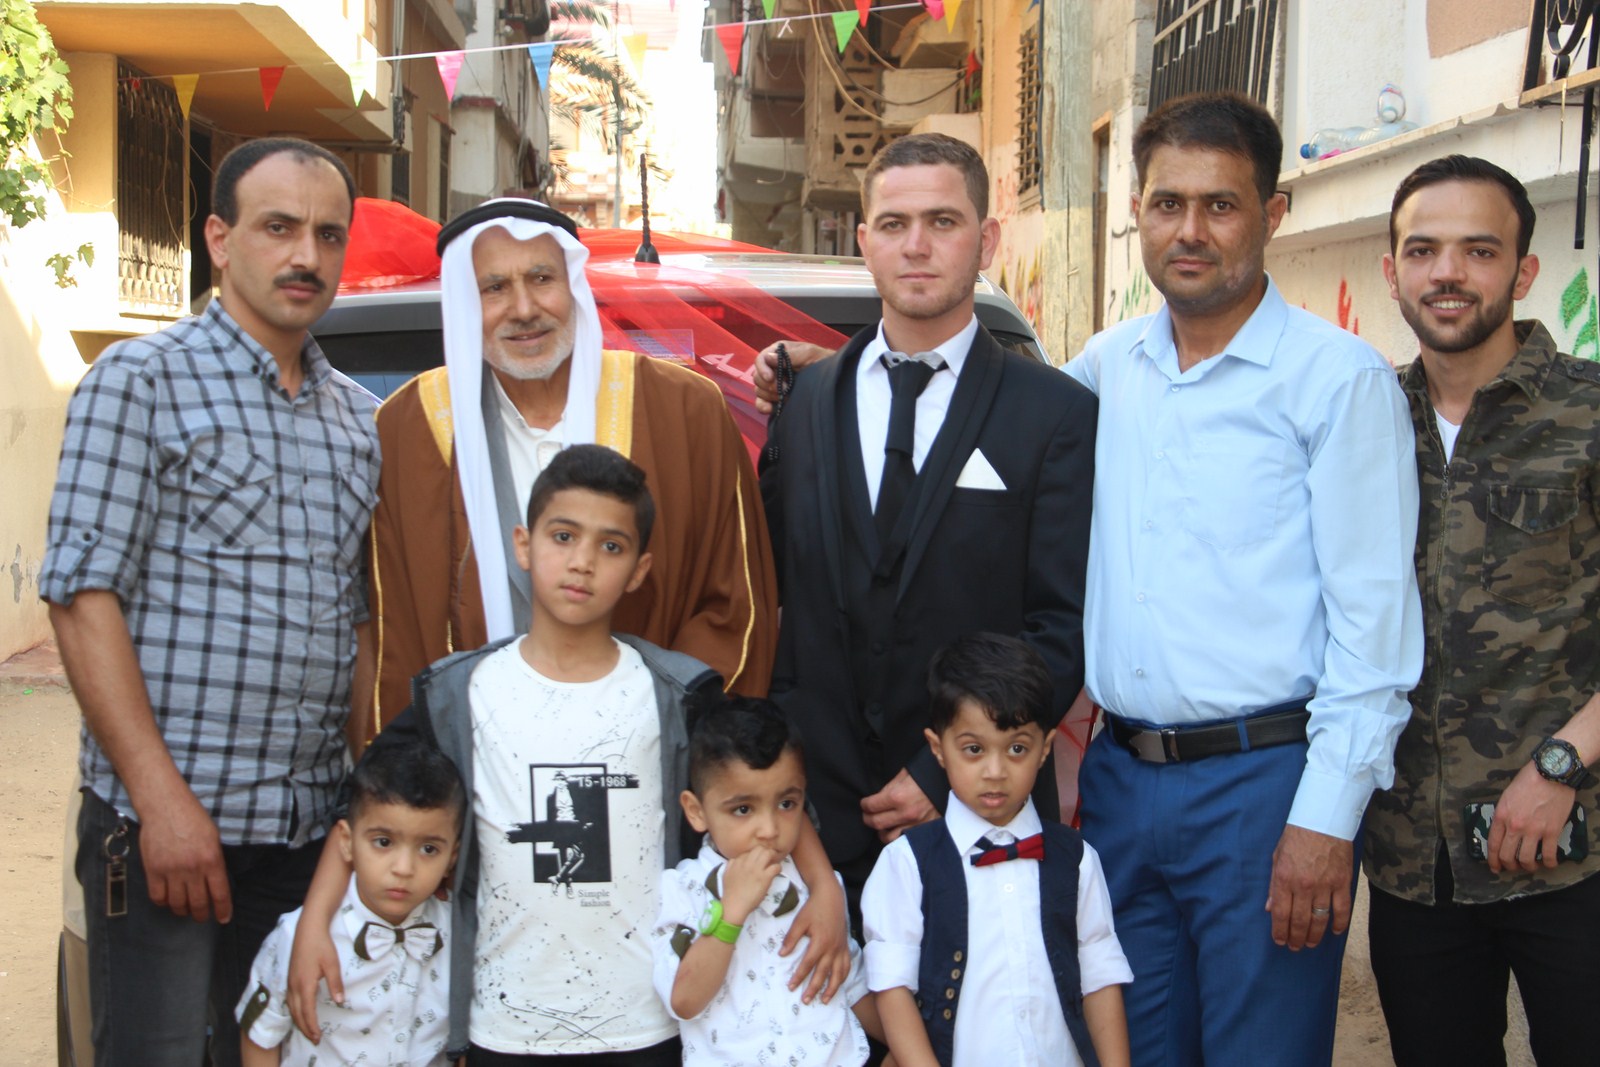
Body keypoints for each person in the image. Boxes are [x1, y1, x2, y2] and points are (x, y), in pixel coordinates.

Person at [1063, 92, 1422, 1065]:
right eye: (1167, 203)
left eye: (1219, 205)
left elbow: (1375, 628)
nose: (1189, 230)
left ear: (1273, 213)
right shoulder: (1107, 368)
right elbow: (994, 417)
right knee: (1126, 1050)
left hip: (1264, 791)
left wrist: (1324, 819)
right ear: (1136, 211)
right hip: (1120, 784)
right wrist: (831, 364)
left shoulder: (1336, 380)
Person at [288, 445, 849, 1063]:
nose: (582, 562)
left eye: (611, 545)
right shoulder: (460, 694)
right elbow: (364, 802)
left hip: (648, 1023)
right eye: (563, 536)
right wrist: (314, 923)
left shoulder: (673, 693)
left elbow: (767, 785)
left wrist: (825, 889)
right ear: (523, 545)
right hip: (504, 1023)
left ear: (638, 570)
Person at [40, 137, 375, 1067]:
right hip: (167, 835)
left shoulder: (358, 420)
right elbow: (81, 596)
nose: (306, 254)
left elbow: (360, 626)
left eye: (328, 234)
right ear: (219, 239)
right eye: (279, 227)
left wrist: (361, 812)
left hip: (303, 840)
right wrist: (161, 803)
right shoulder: (139, 382)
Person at [760, 133, 1097, 915]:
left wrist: (948, 767)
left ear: (987, 240)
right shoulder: (804, 405)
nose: (916, 245)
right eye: (893, 223)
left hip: (982, 820)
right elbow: (783, 607)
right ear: (864, 242)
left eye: (943, 221)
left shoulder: (1057, 413)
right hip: (816, 833)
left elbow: (1062, 628)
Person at [366, 198, 776, 735]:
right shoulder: (409, 427)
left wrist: (665, 739)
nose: (523, 308)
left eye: (542, 278)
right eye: (494, 288)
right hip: (471, 763)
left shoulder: (685, 409)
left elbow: (736, 609)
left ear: (574, 285)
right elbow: (389, 637)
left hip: (649, 755)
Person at [1363, 155, 1600, 1067]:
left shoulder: (1587, 413)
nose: (1447, 273)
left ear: (1524, 271)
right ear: (1392, 271)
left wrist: (1561, 763)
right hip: (1413, 864)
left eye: (1479, 250)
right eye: (1422, 250)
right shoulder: (1363, 419)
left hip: (1574, 846)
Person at [860, 633, 1131, 1067]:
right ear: (938, 749)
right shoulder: (906, 863)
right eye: (974, 749)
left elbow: (1100, 979)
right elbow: (891, 990)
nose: (995, 770)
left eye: (1017, 748)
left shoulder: (1077, 859)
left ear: (1045, 749)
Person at [652, 695, 885, 1065]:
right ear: (696, 811)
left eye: (786, 804)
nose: (769, 829)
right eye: (743, 809)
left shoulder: (816, 889)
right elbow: (684, 1000)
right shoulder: (684, 888)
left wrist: (908, 1050)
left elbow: (847, 981)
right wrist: (730, 914)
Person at [238, 741, 464, 1066]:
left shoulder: (461, 931)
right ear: (346, 842)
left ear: (452, 857)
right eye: (383, 842)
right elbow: (261, 1035)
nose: (404, 868)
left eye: (428, 849)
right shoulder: (298, 936)